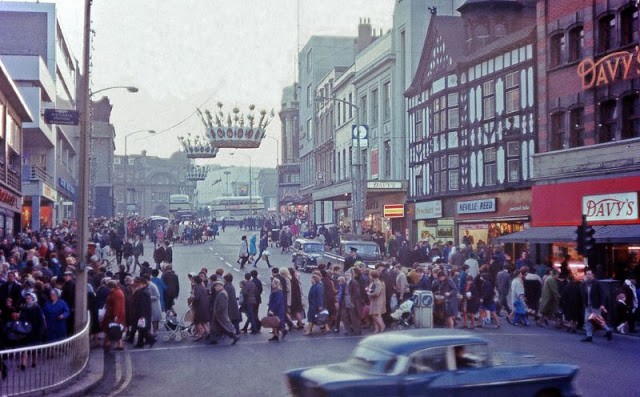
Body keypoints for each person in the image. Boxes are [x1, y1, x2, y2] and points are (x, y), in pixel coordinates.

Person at [580, 269, 612, 342]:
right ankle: (589, 336)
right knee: (586, 321)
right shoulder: (584, 284)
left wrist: (602, 304)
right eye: (586, 274)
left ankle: (608, 330)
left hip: (595, 305)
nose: (587, 276)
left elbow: (603, 295)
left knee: (598, 321)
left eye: (589, 274)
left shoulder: (597, 283)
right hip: (587, 306)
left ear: (592, 275)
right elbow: (583, 294)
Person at [209, 280, 239, 345]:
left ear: (221, 286)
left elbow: (222, 306)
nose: (215, 288)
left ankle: (234, 337)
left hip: (220, 315)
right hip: (219, 314)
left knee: (225, 328)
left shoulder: (222, 293)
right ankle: (213, 340)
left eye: (216, 286)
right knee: (215, 328)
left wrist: (217, 312)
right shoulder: (221, 292)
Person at [131, 277, 156, 348]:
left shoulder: (143, 292)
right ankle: (141, 343)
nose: (139, 285)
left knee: (142, 329)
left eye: (140, 284)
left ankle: (150, 340)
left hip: (142, 314)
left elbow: (142, 304)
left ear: (144, 284)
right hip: (145, 313)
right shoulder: (145, 291)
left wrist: (141, 315)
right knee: (142, 329)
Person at [102, 280, 126, 351]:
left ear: (112, 287)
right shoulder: (117, 292)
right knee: (118, 329)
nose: (108, 289)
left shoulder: (117, 294)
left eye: (109, 287)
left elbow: (117, 306)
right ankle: (119, 344)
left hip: (113, 315)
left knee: (110, 328)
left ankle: (107, 343)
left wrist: (116, 316)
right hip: (115, 314)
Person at [341, 269, 363, 335]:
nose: (346, 276)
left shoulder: (354, 282)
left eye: (347, 275)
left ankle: (357, 331)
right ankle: (348, 330)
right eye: (345, 275)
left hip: (352, 302)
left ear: (351, 275)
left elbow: (357, 294)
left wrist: (352, 300)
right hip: (345, 302)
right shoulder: (345, 283)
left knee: (354, 317)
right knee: (345, 317)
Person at [190, 275, 210, 341]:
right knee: (203, 321)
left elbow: (197, 297)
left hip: (199, 306)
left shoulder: (196, 287)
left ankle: (200, 334)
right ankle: (208, 333)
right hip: (204, 305)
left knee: (197, 321)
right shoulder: (202, 286)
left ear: (194, 280)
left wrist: (193, 296)